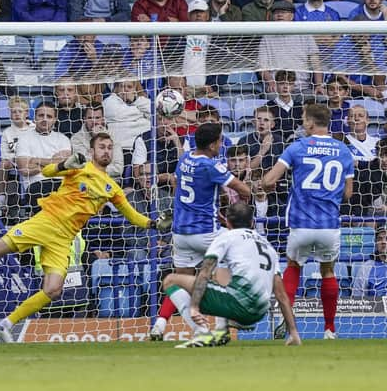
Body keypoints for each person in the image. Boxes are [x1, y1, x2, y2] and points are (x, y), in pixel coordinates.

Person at [0, 133, 173, 342]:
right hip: (45, 221)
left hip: (64, 239)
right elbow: (49, 172)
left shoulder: (112, 187)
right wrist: (65, 164)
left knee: (53, 289)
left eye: (109, 147)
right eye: (101, 147)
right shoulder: (79, 167)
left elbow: (131, 215)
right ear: (93, 151)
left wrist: (153, 223)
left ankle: (6, 324)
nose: (106, 151)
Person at [150, 122, 251, 341]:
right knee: (232, 262)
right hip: (206, 232)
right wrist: (238, 206)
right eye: (221, 140)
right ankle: (225, 325)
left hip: (181, 233)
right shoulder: (211, 166)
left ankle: (174, 325)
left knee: (180, 283)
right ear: (214, 144)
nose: (222, 144)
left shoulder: (184, 159)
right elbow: (244, 190)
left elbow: (177, 186)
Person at [262, 103, 354, 339]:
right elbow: (348, 193)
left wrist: (265, 184)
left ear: (311, 123)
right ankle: (330, 329)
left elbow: (269, 180)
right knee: (328, 272)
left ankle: (287, 321)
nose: (303, 123)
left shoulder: (297, 147)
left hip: (301, 223)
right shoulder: (344, 150)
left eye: (304, 119)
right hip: (329, 224)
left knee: (293, 266)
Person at [163, 203, 301, 347]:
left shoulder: (226, 237)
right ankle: (223, 328)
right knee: (224, 273)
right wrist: (293, 332)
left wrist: (194, 306)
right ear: (252, 222)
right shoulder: (268, 246)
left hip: (237, 304)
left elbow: (205, 272)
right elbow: (281, 294)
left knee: (171, 280)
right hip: (259, 312)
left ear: (227, 222)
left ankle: (201, 333)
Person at [0, 97, 35, 213]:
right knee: (2, 164)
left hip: (32, 160)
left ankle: (29, 197)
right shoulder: (7, 133)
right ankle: (1, 197)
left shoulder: (34, 129)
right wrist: (16, 159)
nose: (17, 114)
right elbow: (5, 154)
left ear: (26, 113)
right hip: (13, 161)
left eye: (20, 111)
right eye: (13, 112)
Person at [352, 225, 387, 297]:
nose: (383, 242)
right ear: (376, 243)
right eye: (380, 239)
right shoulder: (366, 268)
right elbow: (357, 298)